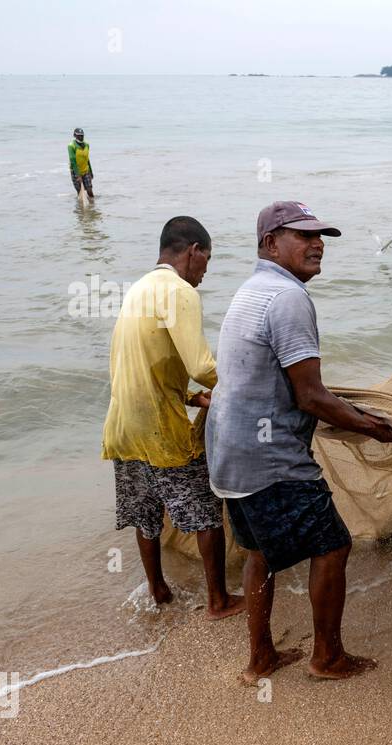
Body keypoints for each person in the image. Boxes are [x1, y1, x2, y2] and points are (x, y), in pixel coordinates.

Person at [205, 201, 392, 686]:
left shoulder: (251, 290)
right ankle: (327, 658)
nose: (317, 245)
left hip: (229, 456)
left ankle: (261, 659)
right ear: (271, 244)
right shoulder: (288, 298)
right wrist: (373, 427)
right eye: (303, 236)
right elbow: (310, 396)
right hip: (270, 457)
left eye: (322, 237)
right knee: (332, 546)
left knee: (260, 555)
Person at [101, 216, 243, 620]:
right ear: (193, 251)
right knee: (204, 512)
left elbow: (140, 363)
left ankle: (158, 589)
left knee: (146, 512)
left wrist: (193, 399)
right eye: (207, 261)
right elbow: (200, 364)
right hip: (160, 429)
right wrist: (246, 387)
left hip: (122, 425)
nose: (204, 273)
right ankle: (218, 600)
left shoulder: (138, 290)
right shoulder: (179, 291)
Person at [68, 128, 94, 202]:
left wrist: (91, 172)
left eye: (82, 136)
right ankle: (81, 209)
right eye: (78, 136)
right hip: (75, 171)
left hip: (86, 170)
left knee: (89, 190)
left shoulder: (87, 145)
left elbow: (87, 159)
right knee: (80, 192)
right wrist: (78, 175)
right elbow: (73, 161)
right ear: (74, 135)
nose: (81, 137)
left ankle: (93, 206)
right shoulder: (71, 146)